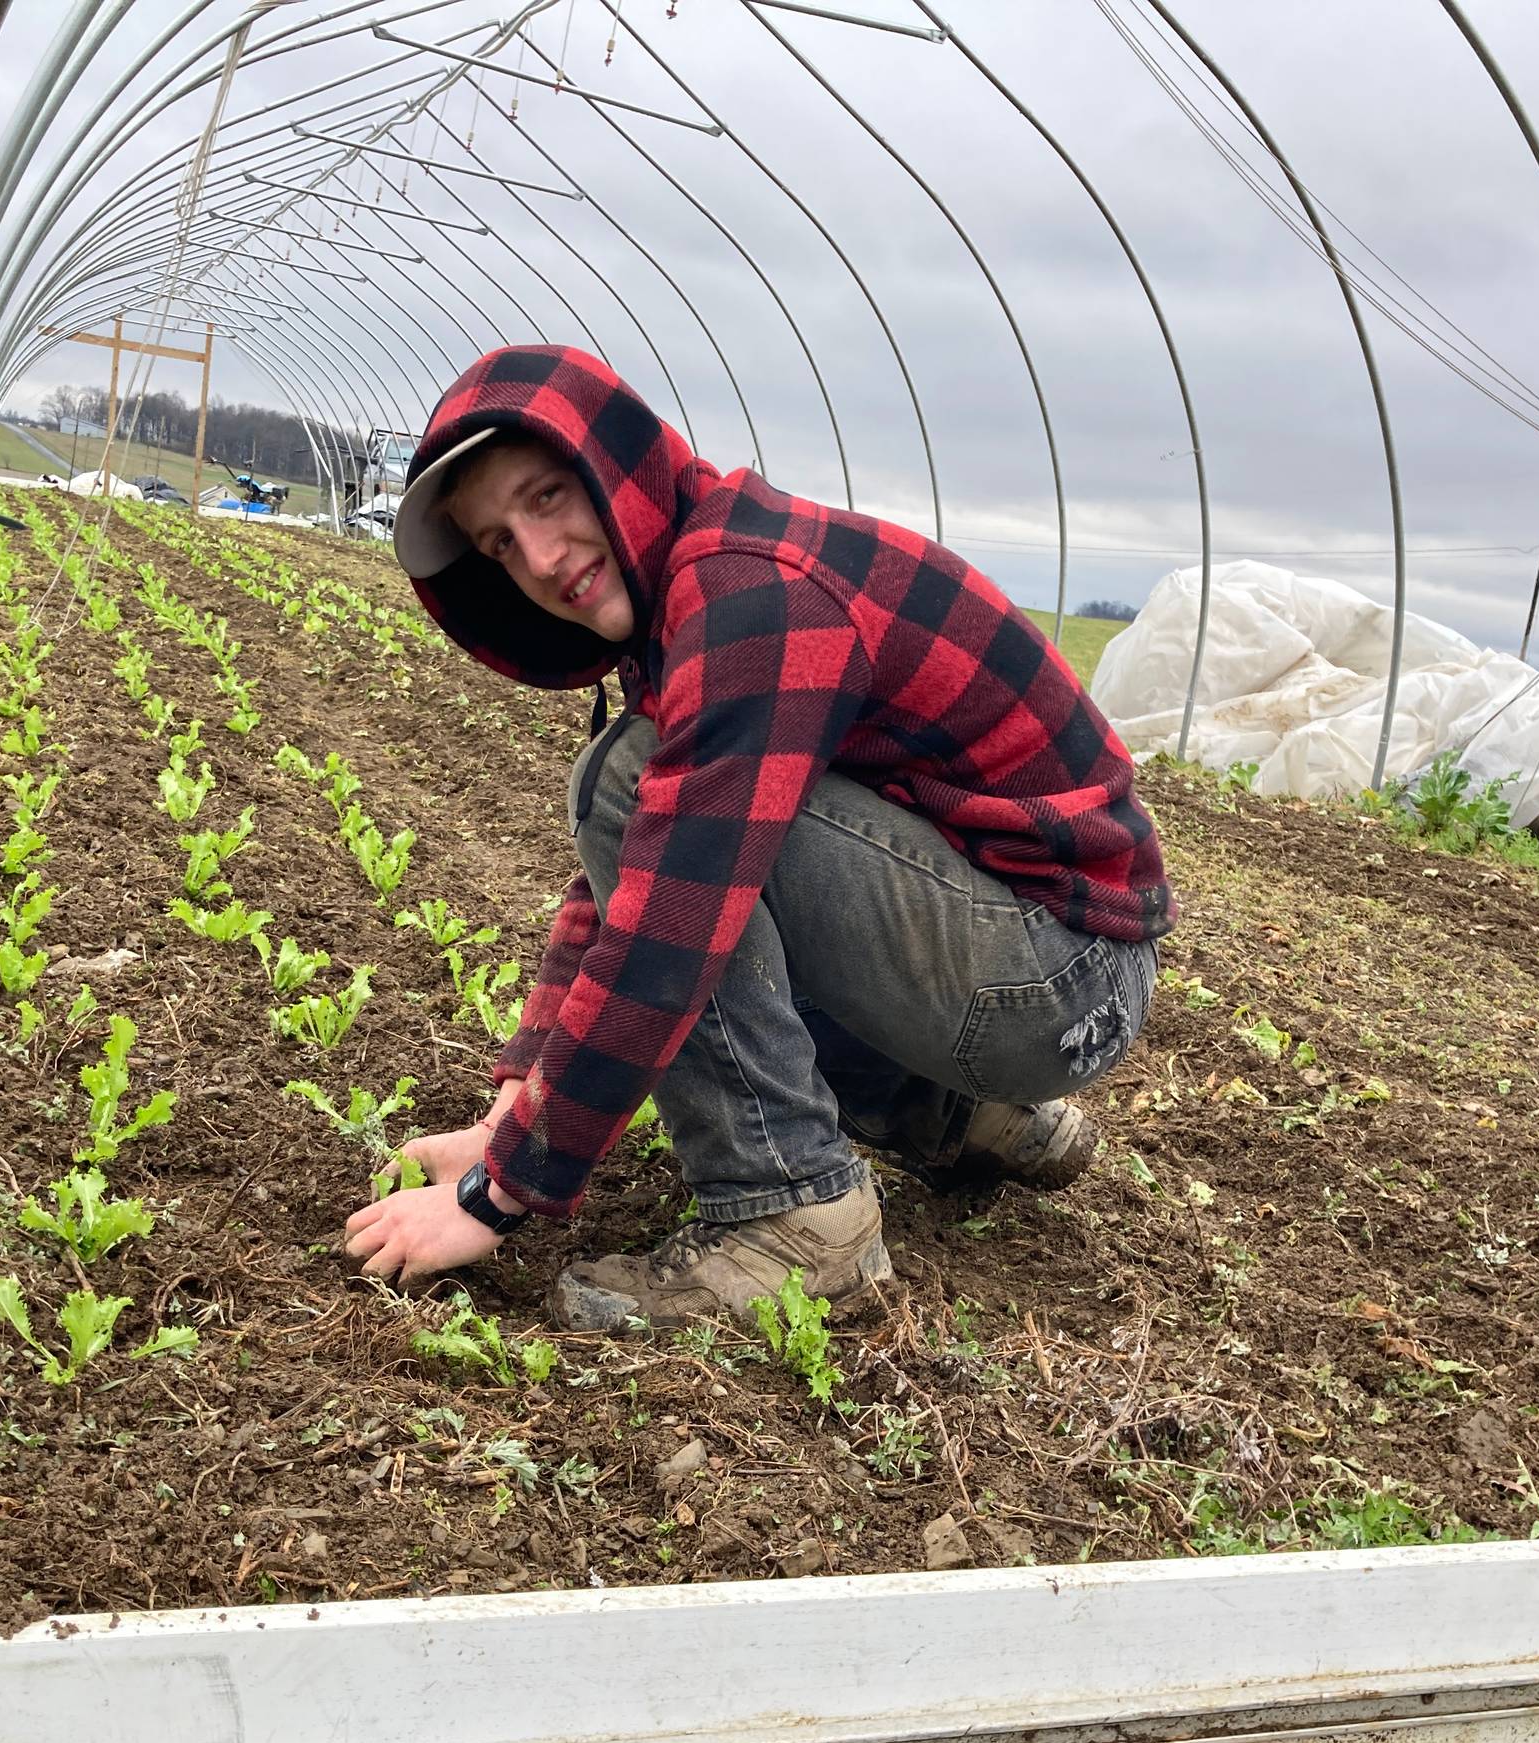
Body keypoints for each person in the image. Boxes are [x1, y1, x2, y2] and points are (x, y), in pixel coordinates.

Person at [341, 346, 1173, 1330]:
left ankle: (793, 1217)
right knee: (687, 863)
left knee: (654, 831)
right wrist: (504, 1119)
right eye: (500, 546)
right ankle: (961, 1118)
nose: (542, 556)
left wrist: (500, 1194)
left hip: (1055, 980)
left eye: (550, 497)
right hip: (1043, 971)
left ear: (617, 463)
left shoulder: (750, 594)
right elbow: (622, 879)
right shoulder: (703, 583)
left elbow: (666, 921)